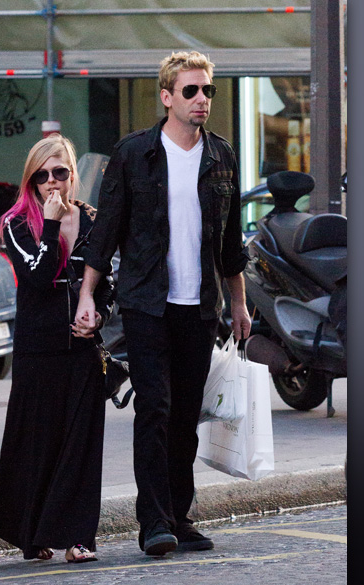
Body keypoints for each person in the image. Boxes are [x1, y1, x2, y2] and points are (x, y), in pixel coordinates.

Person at [74, 51, 251, 556]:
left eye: (208, 91)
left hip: (200, 307)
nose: (202, 100)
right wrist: (87, 293)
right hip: (147, 303)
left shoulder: (222, 156)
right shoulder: (134, 154)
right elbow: (105, 232)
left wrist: (238, 306)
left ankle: (179, 514)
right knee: (155, 408)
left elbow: (230, 241)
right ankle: (153, 521)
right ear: (167, 96)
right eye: (191, 91)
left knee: (185, 414)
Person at [0, 134, 115, 563]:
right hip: (37, 350)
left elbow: (108, 283)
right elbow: (40, 278)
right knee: (38, 445)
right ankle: (34, 535)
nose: (51, 183)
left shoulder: (94, 220)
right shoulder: (16, 223)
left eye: (59, 173)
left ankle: (79, 538)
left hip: (82, 350)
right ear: (31, 181)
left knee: (81, 445)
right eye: (41, 176)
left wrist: (97, 315)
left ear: (73, 174)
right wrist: (50, 222)